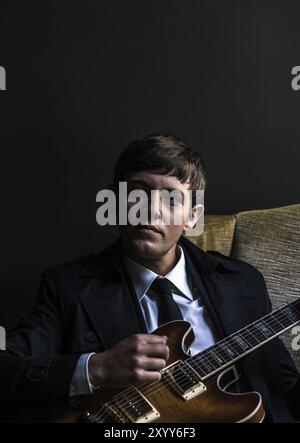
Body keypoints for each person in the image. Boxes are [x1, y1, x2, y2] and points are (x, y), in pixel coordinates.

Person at [3, 134, 300, 422]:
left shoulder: (244, 284)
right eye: (137, 194)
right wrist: (96, 369)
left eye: (171, 199)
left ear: (192, 217)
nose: (151, 210)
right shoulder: (68, 287)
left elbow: (284, 388)